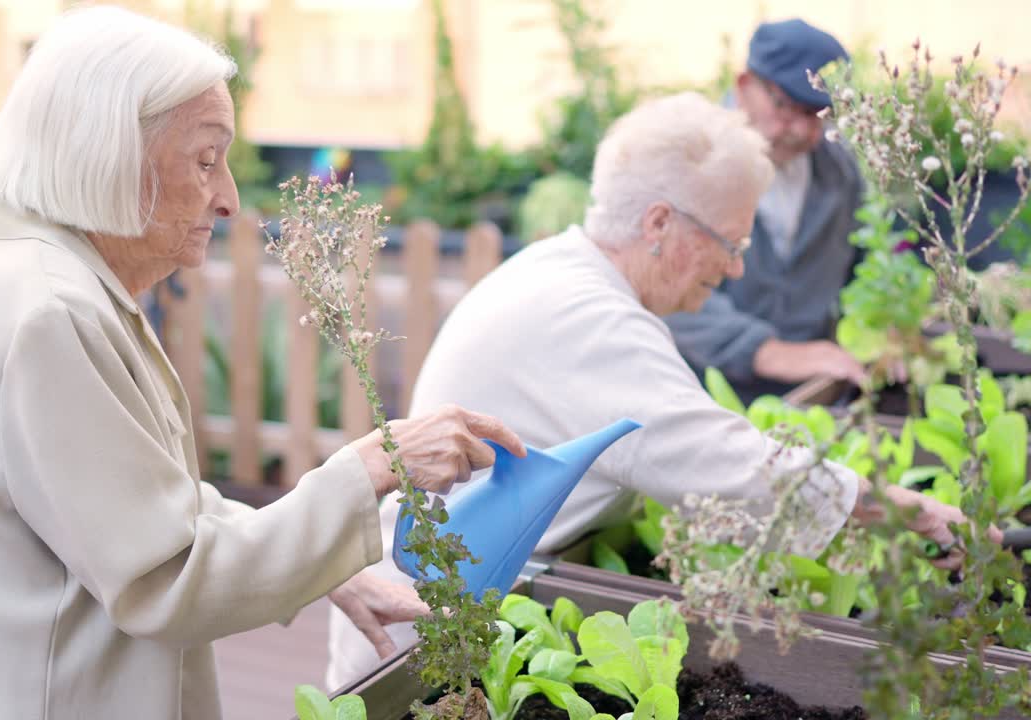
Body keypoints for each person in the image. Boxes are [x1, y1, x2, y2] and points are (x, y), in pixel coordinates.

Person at [0, 8, 526, 720]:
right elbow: (164, 578)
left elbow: (123, 498)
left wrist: (326, 571)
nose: (230, 198)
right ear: (106, 154)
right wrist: (373, 468)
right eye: (206, 160)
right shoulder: (50, 316)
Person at [325, 92, 979, 691]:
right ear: (660, 222)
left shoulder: (565, 276)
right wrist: (908, 512)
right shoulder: (589, 320)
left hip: (452, 611)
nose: (738, 267)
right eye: (731, 241)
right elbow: (727, 467)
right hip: (418, 646)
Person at [665, 18, 867, 403]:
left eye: (820, 115)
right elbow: (663, 292)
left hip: (813, 391)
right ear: (744, 86)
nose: (808, 132)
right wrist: (767, 352)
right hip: (704, 394)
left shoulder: (838, 171)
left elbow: (864, 265)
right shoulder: (689, 160)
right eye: (789, 107)